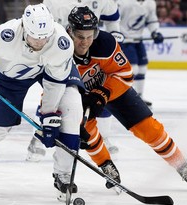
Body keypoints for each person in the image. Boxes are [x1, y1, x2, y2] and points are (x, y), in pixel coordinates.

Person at [0, 3, 84, 199]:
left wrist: (49, 114)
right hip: (12, 77)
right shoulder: (5, 35)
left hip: (53, 72)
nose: (40, 43)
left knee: (72, 107)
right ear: (24, 28)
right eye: (35, 38)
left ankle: (63, 173)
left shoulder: (60, 42)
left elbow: (55, 83)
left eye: (44, 38)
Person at [67, 6, 187, 189]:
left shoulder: (105, 43)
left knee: (150, 128)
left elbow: (125, 75)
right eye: (80, 37)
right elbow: (52, 85)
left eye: (89, 36)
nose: (85, 42)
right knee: (87, 131)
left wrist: (103, 92)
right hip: (79, 93)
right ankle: (106, 165)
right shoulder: (60, 49)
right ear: (70, 31)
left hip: (110, 88)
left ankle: (182, 166)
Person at [26, 0, 122, 162]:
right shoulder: (54, 2)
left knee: (99, 93)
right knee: (54, 94)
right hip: (61, 54)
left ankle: (104, 137)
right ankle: (39, 137)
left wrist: (115, 33)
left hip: (90, 52)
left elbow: (113, 16)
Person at [117, 0, 164, 107]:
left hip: (138, 40)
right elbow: (115, 20)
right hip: (126, 41)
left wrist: (154, 32)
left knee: (142, 68)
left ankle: (139, 96)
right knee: (132, 69)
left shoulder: (150, 3)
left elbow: (152, 19)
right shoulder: (123, 2)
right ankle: (127, 98)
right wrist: (118, 34)